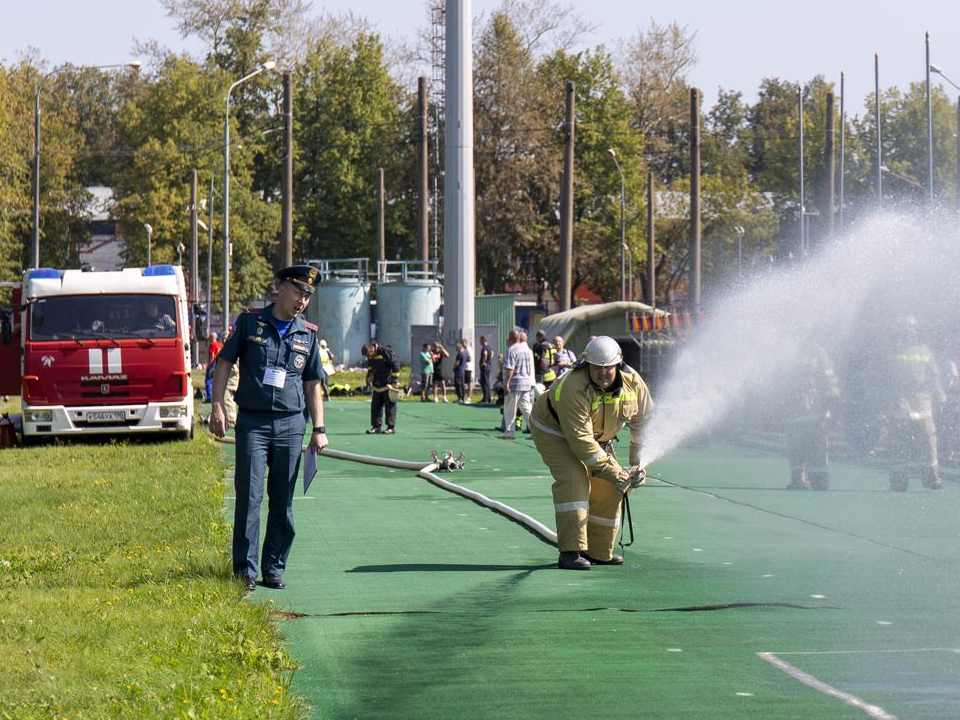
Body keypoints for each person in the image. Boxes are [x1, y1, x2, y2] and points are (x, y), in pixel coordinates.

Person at [209, 265, 327, 591]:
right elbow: (224, 363)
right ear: (280, 288)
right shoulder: (250, 322)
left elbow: (312, 382)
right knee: (249, 496)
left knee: (282, 500)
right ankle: (244, 570)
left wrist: (319, 427)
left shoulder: (308, 333)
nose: (302, 300)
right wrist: (217, 406)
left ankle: (273, 567)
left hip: (291, 425)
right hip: (254, 423)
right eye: (298, 291)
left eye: (307, 295)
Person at [530, 336, 654, 570]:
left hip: (595, 436)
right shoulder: (573, 387)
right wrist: (614, 471)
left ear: (618, 364)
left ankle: (598, 551)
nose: (603, 372)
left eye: (608, 367)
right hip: (553, 431)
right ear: (587, 364)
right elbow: (581, 443)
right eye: (597, 367)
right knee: (575, 479)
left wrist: (637, 465)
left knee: (613, 486)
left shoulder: (633, 383)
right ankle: (570, 552)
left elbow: (645, 423)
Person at [883, 317, 945, 491]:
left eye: (912, 329)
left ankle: (931, 478)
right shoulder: (891, 351)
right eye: (906, 329)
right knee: (898, 445)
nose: (910, 332)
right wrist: (884, 403)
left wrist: (939, 398)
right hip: (899, 404)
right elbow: (882, 379)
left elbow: (934, 377)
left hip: (921, 403)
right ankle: (898, 480)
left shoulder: (924, 351)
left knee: (927, 440)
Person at [784, 342, 840, 490]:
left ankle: (817, 480)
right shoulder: (789, 348)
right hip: (798, 410)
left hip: (811, 409)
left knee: (815, 447)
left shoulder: (817, 351)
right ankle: (801, 479)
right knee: (797, 447)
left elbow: (829, 378)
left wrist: (831, 400)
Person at [500, 329, 535, 439]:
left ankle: (509, 433)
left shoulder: (511, 350)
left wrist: (506, 384)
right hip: (526, 382)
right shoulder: (527, 350)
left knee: (510, 409)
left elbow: (510, 369)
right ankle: (536, 432)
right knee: (527, 409)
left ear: (510, 338)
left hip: (515, 383)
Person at [363, 339, 401, 434]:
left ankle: (390, 427)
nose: (370, 356)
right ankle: (376, 427)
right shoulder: (370, 355)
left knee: (390, 407)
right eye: (368, 356)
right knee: (375, 406)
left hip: (388, 384)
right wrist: (369, 377)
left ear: (373, 347)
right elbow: (370, 367)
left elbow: (395, 365)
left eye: (370, 354)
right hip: (377, 385)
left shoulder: (385, 351)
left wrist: (394, 381)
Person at [478, 336, 494, 403]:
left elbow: (485, 354)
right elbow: (492, 353)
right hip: (489, 366)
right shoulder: (489, 347)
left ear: (483, 340)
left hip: (485, 367)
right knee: (487, 382)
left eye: (480, 340)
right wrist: (489, 360)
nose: (480, 342)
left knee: (484, 383)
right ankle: (488, 397)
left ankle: (486, 398)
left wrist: (483, 362)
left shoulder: (484, 347)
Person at [462, 338, 474, 403]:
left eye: (463, 343)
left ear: (465, 343)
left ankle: (469, 397)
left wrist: (463, 360)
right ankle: (464, 397)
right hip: (465, 368)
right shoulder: (464, 349)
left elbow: (470, 358)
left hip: (468, 368)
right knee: (465, 383)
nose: (462, 344)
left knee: (469, 383)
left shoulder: (468, 349)